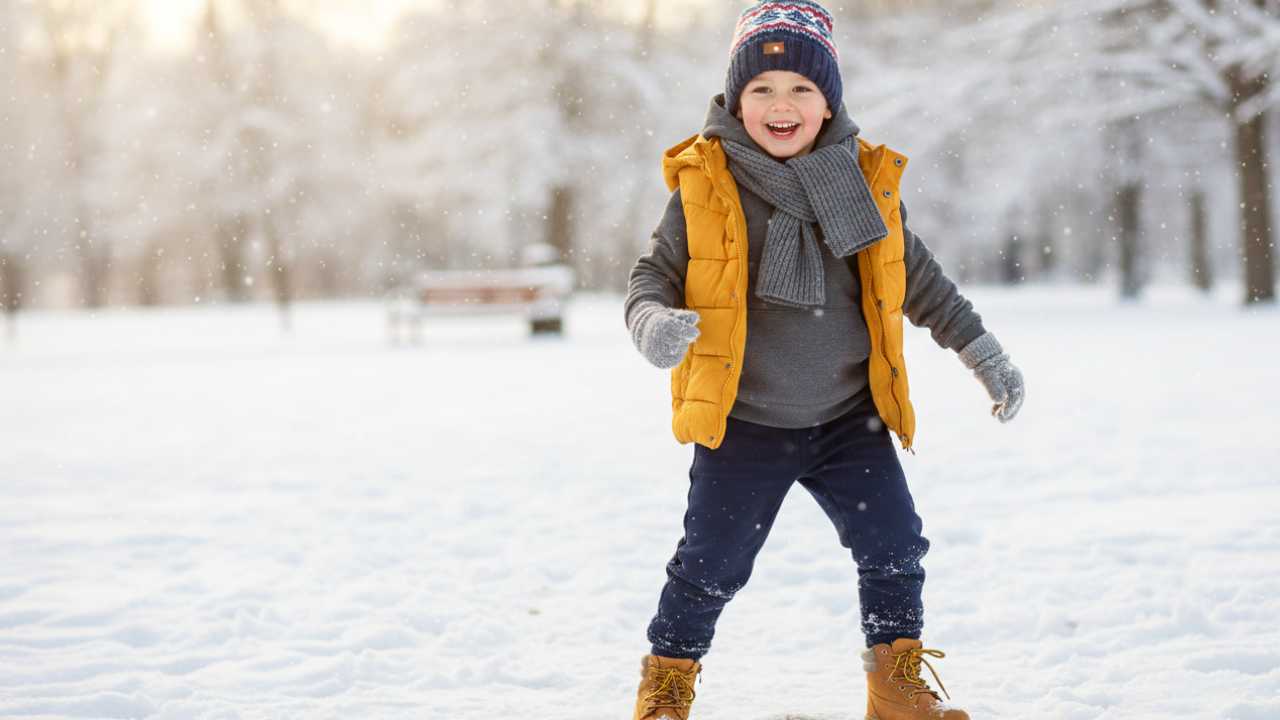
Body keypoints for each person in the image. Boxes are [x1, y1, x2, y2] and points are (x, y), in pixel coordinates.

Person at [623, 2, 1025, 719]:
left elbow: (919, 282)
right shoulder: (705, 186)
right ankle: (667, 687)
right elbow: (652, 276)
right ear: (735, 100)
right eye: (763, 89)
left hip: (847, 419)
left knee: (895, 545)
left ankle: (895, 689)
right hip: (744, 421)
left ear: (829, 99)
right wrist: (652, 322)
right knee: (711, 566)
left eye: (802, 89)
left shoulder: (864, 184)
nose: (783, 105)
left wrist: (981, 351)